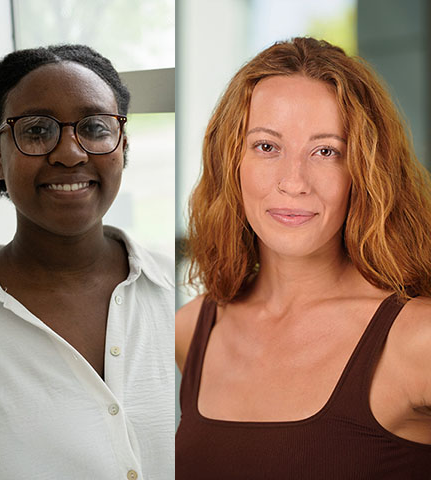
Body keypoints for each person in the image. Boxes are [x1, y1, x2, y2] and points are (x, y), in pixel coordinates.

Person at [175, 37, 431, 478]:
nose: (294, 183)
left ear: (365, 170)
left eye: (326, 151)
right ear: (230, 161)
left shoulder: (417, 338)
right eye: (267, 147)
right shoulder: (190, 328)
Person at [0, 45, 175, 479]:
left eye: (95, 127)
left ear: (122, 147)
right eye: (38, 131)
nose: (70, 153)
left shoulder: (187, 293)